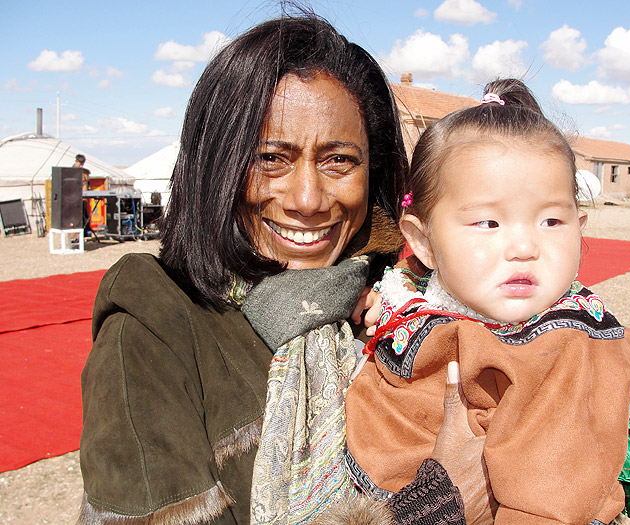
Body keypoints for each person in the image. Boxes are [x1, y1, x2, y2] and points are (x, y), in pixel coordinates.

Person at [79, 15, 491, 525]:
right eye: (271, 158)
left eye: (339, 160)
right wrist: (431, 511)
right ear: (217, 166)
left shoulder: (398, 307)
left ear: (374, 172)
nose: (308, 199)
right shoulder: (153, 326)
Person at [345, 79, 630, 525]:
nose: (524, 246)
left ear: (580, 228)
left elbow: (549, 502)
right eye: (488, 223)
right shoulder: (419, 293)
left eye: (551, 220)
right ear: (423, 242)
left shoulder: (565, 345)